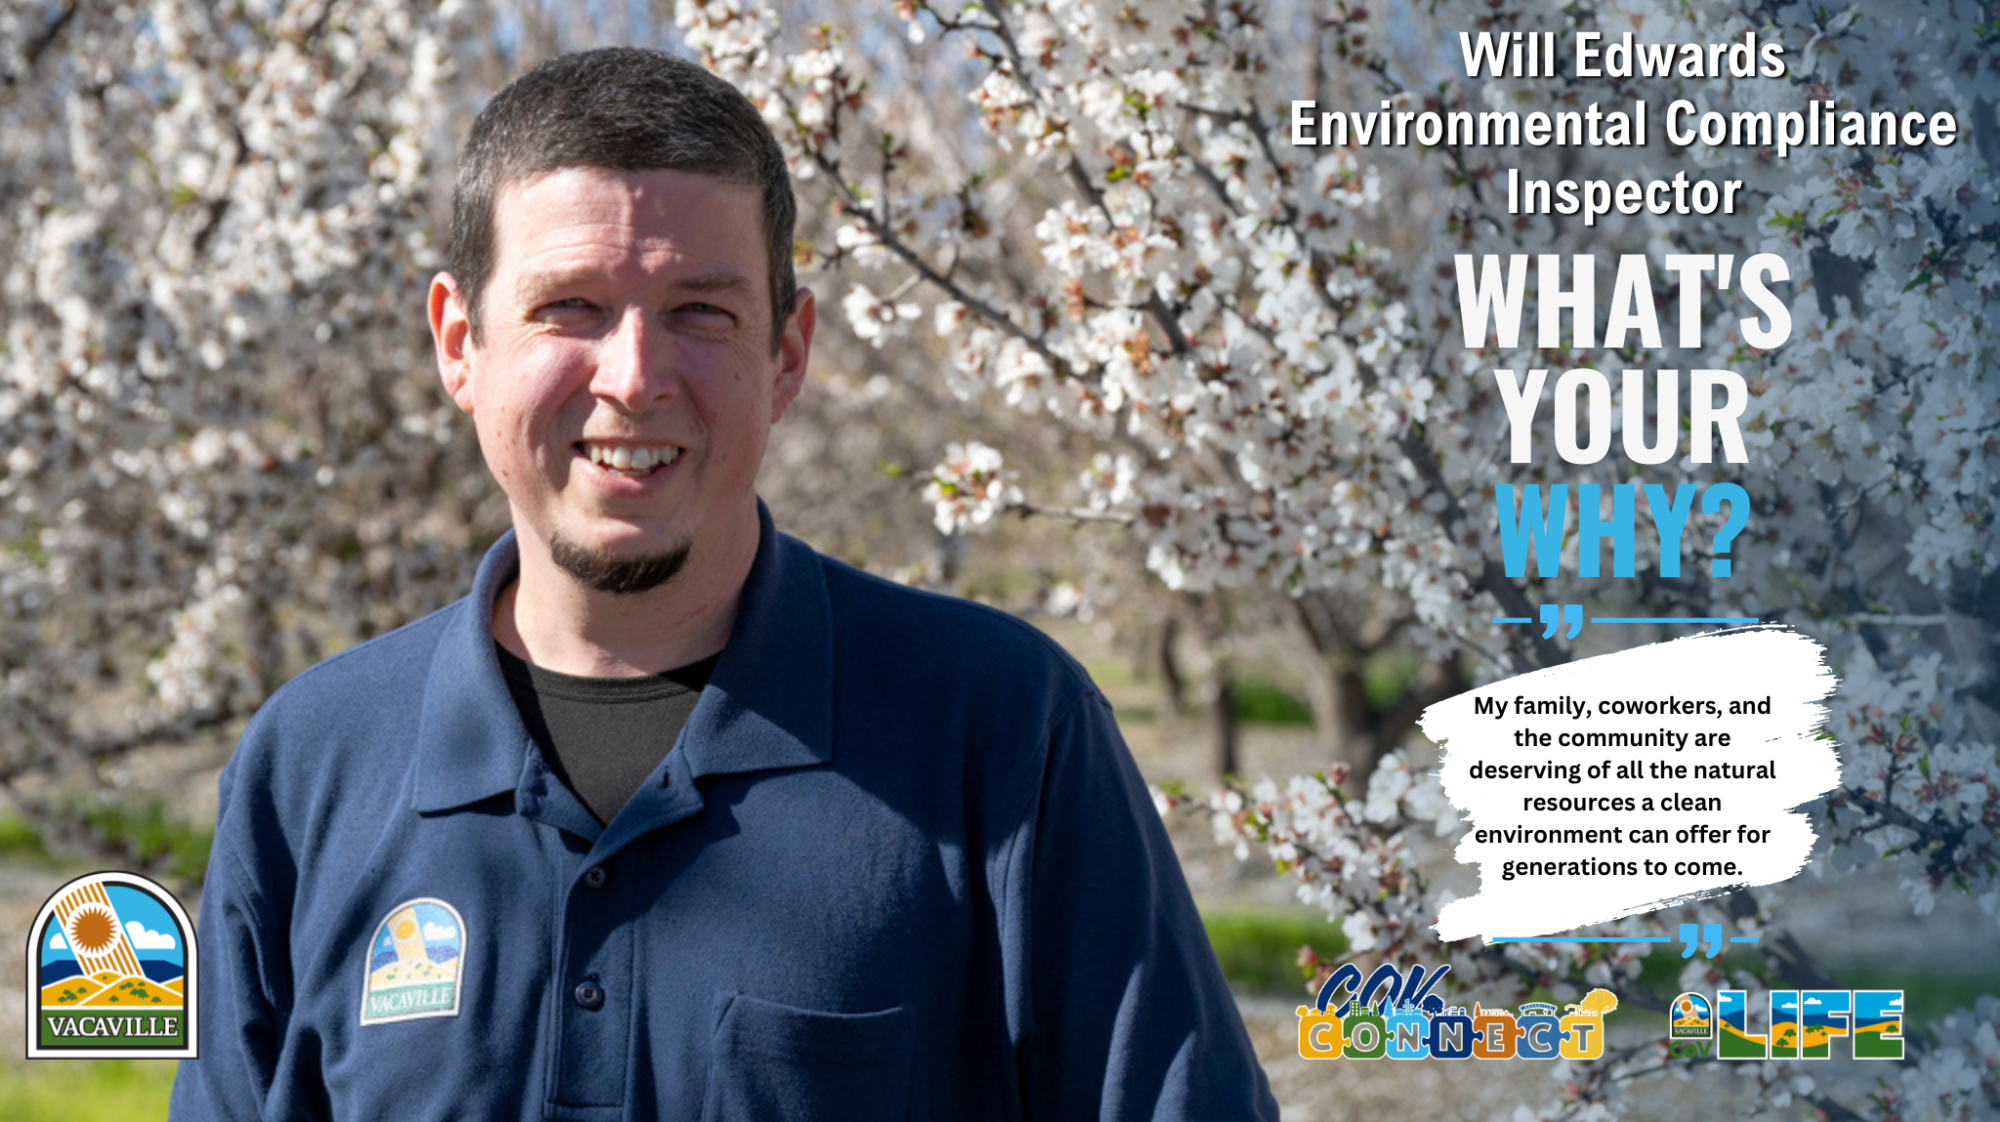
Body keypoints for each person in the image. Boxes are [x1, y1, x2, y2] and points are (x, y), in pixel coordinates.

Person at [169, 47, 1277, 1121]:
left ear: (788, 352)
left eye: (700, 311)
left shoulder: (997, 728)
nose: (636, 377)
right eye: (571, 308)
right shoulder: (311, 761)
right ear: (461, 343)